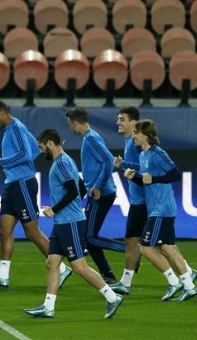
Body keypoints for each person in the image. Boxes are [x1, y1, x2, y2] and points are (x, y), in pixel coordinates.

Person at [24, 128, 124, 319]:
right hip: (63, 223)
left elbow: (72, 191)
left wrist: (54, 209)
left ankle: (112, 298)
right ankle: (48, 307)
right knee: (52, 263)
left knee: (80, 267)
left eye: (41, 147)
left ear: (50, 144)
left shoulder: (61, 164)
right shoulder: (66, 161)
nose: (40, 151)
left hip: (70, 223)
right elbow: (79, 187)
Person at [0, 98, 72, 288]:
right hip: (13, 185)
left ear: (1, 113)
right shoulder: (13, 129)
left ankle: (62, 269)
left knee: (32, 232)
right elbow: (33, 150)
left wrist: (2, 162)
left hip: (23, 184)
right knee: (4, 229)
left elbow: (23, 154)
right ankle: (3, 276)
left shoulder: (15, 128)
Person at [111, 107, 197, 295]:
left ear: (144, 133)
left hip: (160, 208)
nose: (134, 136)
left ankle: (175, 281)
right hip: (154, 207)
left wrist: (151, 178)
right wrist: (132, 176)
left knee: (145, 247)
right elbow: (145, 177)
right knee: (166, 246)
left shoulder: (157, 153)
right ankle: (189, 283)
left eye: (136, 133)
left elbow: (174, 173)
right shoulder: (143, 154)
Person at [66, 107, 125, 283]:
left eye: (70, 124)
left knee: (89, 237)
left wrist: (98, 186)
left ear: (75, 122)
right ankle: (108, 275)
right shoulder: (90, 137)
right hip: (98, 192)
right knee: (90, 238)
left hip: (102, 193)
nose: (70, 128)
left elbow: (108, 161)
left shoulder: (91, 138)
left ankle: (130, 249)